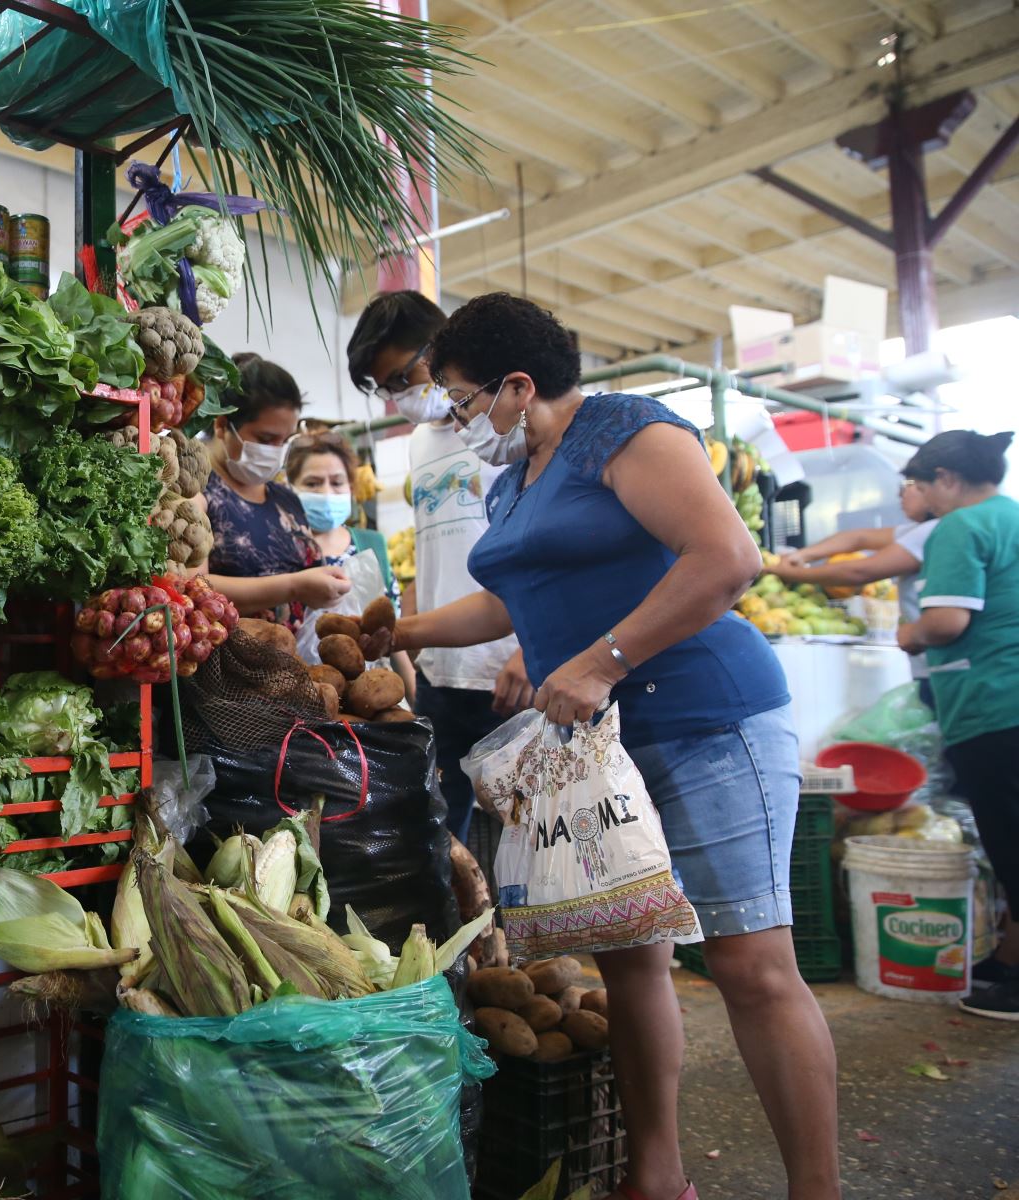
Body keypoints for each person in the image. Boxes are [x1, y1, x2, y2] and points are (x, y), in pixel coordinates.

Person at [393, 293, 839, 1200]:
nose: (461, 420)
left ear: (519, 386)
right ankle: (656, 1176)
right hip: (603, 753)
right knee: (631, 964)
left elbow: (724, 556)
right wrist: (401, 635)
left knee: (751, 964)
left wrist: (602, 660)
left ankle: (817, 1189)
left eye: (466, 399)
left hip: (708, 720)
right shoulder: (515, 481)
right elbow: (512, 599)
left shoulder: (626, 432)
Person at [348, 290, 528, 840]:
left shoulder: (510, 426)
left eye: (403, 376)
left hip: (515, 670)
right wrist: (414, 656)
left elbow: (549, 551)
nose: (400, 396)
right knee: (440, 835)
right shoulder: (421, 444)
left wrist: (532, 647)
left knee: (536, 832)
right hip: (443, 675)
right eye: (386, 389)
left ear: (441, 344)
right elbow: (433, 554)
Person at [895, 429, 1019, 1019]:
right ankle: (1008, 963)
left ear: (945, 478)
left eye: (920, 485)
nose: (920, 498)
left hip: (996, 704)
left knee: (1011, 839)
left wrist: (908, 634)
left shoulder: (961, 527)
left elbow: (944, 621)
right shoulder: (1010, 517)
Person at [197, 354, 351, 624]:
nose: (277, 451)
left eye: (286, 441)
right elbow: (192, 586)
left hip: (298, 658)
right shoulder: (197, 494)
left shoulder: (286, 500)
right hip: (231, 661)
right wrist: (293, 586)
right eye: (266, 439)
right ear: (222, 425)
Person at [769, 480, 938, 700]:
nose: (901, 495)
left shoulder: (933, 531)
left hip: (937, 663)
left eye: (911, 484)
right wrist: (802, 555)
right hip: (931, 664)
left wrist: (793, 574)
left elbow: (861, 572)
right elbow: (859, 538)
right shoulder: (919, 530)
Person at [283, 431, 417, 697]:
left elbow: (391, 631)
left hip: (370, 689)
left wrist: (414, 695)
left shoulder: (371, 544)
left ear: (351, 488)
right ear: (291, 488)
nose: (326, 492)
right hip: (299, 692)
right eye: (312, 483)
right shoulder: (280, 549)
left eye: (336, 482)